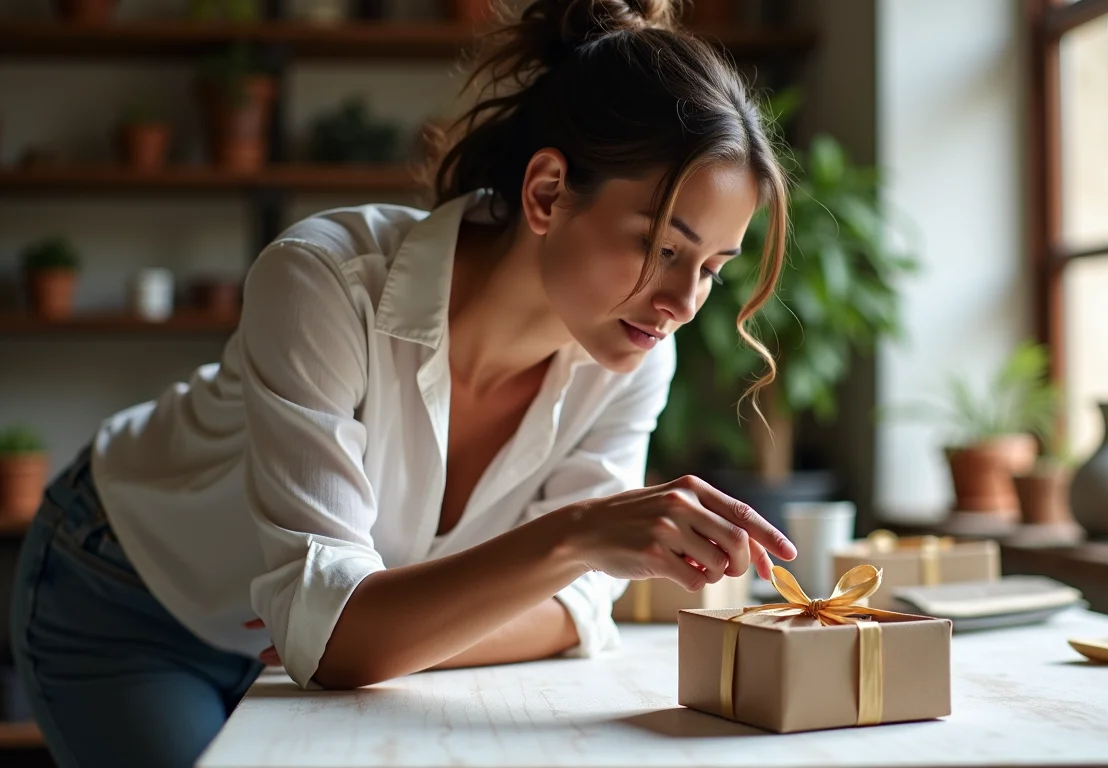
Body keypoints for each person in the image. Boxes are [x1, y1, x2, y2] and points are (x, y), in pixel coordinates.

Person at [9, 1, 797, 765]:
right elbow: (345, 638)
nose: (683, 304)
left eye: (712, 270)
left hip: (298, 667)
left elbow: (572, 612)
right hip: (128, 597)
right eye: (662, 248)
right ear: (547, 192)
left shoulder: (632, 357)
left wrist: (370, 638)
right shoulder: (326, 280)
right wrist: (573, 538)